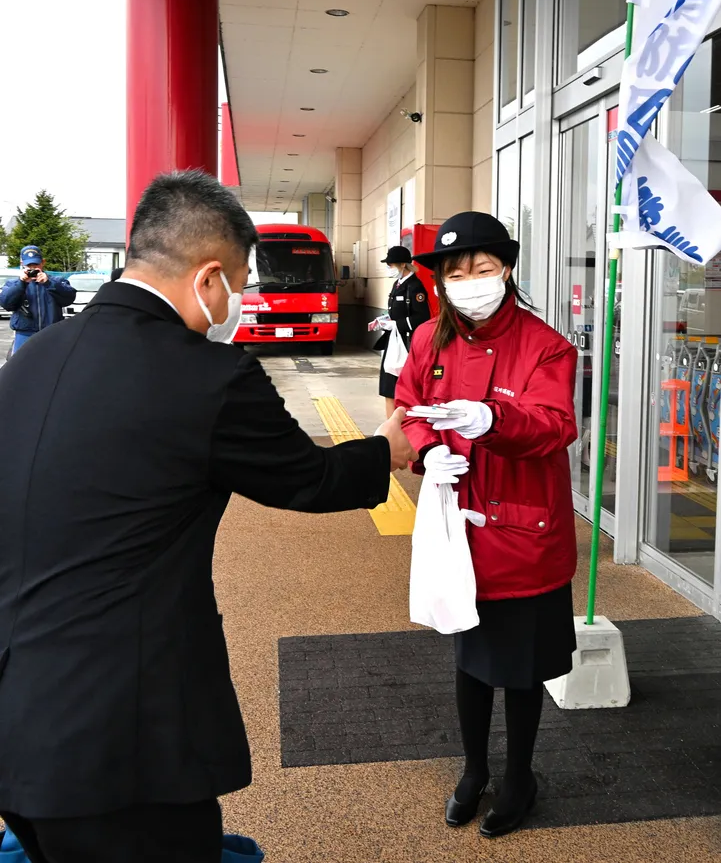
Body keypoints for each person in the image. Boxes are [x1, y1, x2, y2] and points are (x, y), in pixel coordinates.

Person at [0, 170, 415, 863]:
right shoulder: (206, 375)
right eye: (241, 284)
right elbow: (306, 478)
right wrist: (386, 449)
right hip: (122, 740)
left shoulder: (33, 358)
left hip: (18, 722)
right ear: (209, 277)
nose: (235, 302)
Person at [395, 211, 578, 839]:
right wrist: (427, 451)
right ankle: (474, 771)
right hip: (459, 527)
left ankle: (519, 777)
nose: (469, 282)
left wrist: (491, 420)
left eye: (482, 268)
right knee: (469, 657)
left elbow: (555, 425)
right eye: (456, 273)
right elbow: (410, 407)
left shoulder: (546, 345)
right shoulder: (429, 339)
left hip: (525, 531)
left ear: (506, 271)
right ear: (440, 281)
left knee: (521, 668)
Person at [376, 245, 430, 418]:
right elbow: (395, 312)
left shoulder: (415, 287)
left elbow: (422, 317)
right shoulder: (397, 284)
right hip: (394, 342)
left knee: (404, 388)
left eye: (391, 265)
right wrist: (383, 321)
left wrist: (397, 325)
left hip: (407, 344)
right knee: (388, 388)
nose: (389, 268)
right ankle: (390, 425)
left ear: (403, 265)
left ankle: (403, 425)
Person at [0, 246, 76, 355]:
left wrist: (49, 283)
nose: (32, 268)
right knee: (22, 364)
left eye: (36, 265)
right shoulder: (13, 284)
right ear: (22, 263)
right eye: (29, 265)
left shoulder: (56, 281)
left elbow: (69, 298)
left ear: (43, 262)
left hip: (51, 334)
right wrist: (22, 284)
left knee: (53, 364)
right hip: (24, 335)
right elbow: (6, 304)